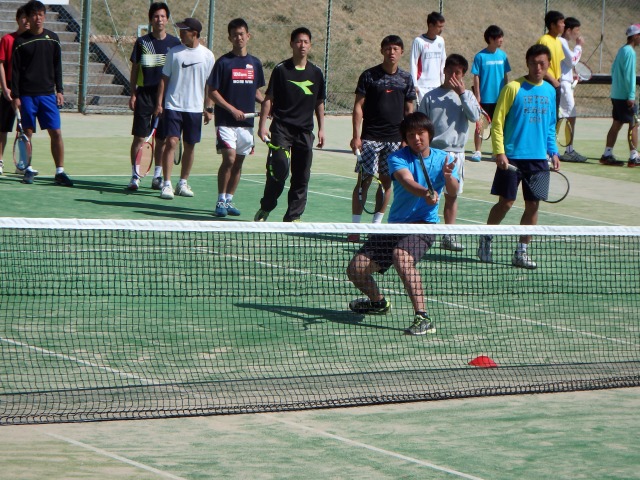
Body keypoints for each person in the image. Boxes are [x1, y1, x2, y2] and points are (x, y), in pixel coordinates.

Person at [346, 112, 459, 336]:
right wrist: (426, 192)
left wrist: (448, 177)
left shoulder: (444, 159)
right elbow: (407, 181)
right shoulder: (397, 157)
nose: (416, 138)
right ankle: (378, 302)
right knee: (356, 270)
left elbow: (453, 192)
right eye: (411, 135)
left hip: (423, 225)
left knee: (402, 257)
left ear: (429, 134)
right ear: (405, 138)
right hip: (396, 225)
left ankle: (422, 317)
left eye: (421, 133)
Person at [477, 44, 560, 270]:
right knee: (506, 203)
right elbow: (497, 122)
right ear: (527, 64)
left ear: (548, 65)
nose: (538, 68)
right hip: (512, 157)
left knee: (533, 205)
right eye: (533, 63)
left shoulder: (550, 91)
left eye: (542, 63)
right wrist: (499, 152)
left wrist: (553, 151)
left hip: (538, 160)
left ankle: (521, 252)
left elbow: (550, 125)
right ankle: (486, 238)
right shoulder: (513, 88)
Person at [348, 35, 415, 242]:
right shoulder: (369, 76)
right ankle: (355, 228)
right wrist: (356, 136)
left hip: (395, 141)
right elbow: (358, 106)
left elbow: (409, 111)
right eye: (387, 48)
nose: (391, 52)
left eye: (395, 49)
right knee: (364, 181)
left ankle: (375, 227)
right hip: (370, 139)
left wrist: (406, 138)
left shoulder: (406, 79)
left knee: (386, 183)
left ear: (401, 52)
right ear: (382, 51)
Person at [255, 27, 325, 222]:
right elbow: (269, 99)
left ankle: (293, 216)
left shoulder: (316, 72)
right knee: (278, 171)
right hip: (281, 129)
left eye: (306, 42)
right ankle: (266, 207)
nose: (302, 45)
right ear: (292, 44)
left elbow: (319, 102)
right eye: (298, 41)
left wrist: (321, 129)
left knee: (301, 176)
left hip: (305, 131)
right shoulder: (281, 70)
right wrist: (261, 126)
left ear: (310, 45)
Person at [419, 53, 481, 252]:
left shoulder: (468, 96)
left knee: (452, 196)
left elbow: (475, 117)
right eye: (450, 71)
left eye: (458, 73)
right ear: (444, 71)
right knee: (428, 195)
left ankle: (449, 235)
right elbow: (421, 125)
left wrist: (462, 94)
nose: (454, 75)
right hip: (433, 153)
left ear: (463, 75)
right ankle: (420, 233)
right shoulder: (430, 96)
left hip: (456, 154)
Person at [208, 18, 265, 217]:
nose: (238, 38)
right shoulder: (223, 63)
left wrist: (266, 104)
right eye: (234, 35)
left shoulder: (255, 63)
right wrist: (231, 109)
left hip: (247, 123)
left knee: (239, 162)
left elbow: (255, 91)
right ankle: (220, 200)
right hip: (225, 122)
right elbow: (212, 91)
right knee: (229, 158)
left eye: (241, 34)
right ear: (230, 38)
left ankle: (229, 199)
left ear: (248, 36)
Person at [11, 0, 72, 186]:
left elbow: (57, 66)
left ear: (44, 16)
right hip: (27, 96)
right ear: (28, 18)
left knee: (56, 132)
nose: (38, 18)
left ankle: (60, 171)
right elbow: (15, 72)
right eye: (34, 15)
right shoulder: (20, 42)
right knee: (27, 133)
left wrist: (59, 90)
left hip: (48, 95)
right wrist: (16, 96)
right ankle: (28, 169)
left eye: (41, 14)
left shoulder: (53, 38)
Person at [154, 17, 215, 200]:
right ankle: (166, 184)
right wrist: (159, 103)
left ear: (194, 34)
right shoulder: (174, 53)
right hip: (173, 105)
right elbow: (164, 79)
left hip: (194, 109)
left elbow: (210, 84)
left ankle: (182, 183)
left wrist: (208, 107)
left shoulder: (207, 56)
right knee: (171, 142)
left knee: (190, 145)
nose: (180, 33)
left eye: (184, 31)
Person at [127, 2, 180, 191]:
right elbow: (135, 69)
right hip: (144, 95)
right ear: (150, 20)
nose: (159, 20)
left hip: (166, 97)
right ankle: (135, 176)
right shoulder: (142, 42)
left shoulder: (175, 44)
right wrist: (133, 93)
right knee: (139, 138)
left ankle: (157, 176)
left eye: (163, 16)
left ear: (167, 19)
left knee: (162, 139)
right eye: (156, 16)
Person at [600, 24, 640, 167]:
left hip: (616, 95)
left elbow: (613, 70)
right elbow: (630, 76)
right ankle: (634, 157)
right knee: (634, 124)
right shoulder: (630, 52)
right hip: (624, 96)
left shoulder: (622, 50)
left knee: (617, 123)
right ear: (635, 36)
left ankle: (607, 154)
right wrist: (631, 95)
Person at [470, 25, 511, 162]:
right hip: (485, 98)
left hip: (500, 98)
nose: (501, 40)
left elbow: (505, 75)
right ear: (491, 39)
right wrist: (477, 94)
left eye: (501, 37)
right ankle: (477, 151)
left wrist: (506, 92)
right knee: (481, 125)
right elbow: (476, 76)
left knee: (498, 125)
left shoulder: (503, 56)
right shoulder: (480, 56)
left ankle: (496, 151)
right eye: (499, 37)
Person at [0, 5, 29, 176]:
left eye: (28, 17)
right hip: (10, 87)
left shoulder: (32, 41)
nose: (26, 21)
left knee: (24, 128)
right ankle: (0, 161)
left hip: (26, 89)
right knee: (2, 127)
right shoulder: (7, 39)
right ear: (17, 19)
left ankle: (22, 164)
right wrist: (5, 88)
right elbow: (1, 65)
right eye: (23, 17)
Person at [558, 17, 587, 163]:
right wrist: (579, 46)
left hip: (564, 82)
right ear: (568, 30)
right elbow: (572, 61)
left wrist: (571, 76)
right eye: (576, 30)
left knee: (562, 116)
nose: (578, 34)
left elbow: (565, 65)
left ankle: (556, 150)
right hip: (563, 85)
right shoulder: (561, 42)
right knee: (569, 116)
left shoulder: (563, 43)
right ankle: (567, 150)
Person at [410, 11, 446, 105]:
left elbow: (443, 62)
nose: (441, 29)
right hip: (422, 86)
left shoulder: (441, 41)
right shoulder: (419, 41)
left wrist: (443, 81)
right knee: (423, 113)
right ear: (430, 25)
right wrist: (415, 84)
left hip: (437, 85)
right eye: (439, 27)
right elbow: (413, 63)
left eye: (442, 26)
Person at [536, 10, 565, 116]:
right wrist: (552, 80)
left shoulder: (558, 41)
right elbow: (539, 65)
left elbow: (558, 63)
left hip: (555, 84)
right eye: (561, 22)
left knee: (554, 115)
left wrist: (558, 79)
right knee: (545, 114)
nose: (564, 25)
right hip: (546, 82)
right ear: (552, 25)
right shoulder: (544, 40)